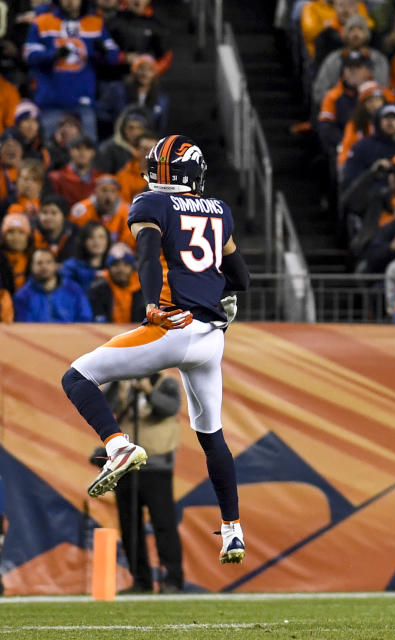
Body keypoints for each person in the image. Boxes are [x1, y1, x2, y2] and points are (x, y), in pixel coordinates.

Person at [60, 135, 251, 565]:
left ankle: (117, 446)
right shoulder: (220, 210)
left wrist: (150, 304)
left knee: (77, 376)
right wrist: (217, 292)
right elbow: (240, 279)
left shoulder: (151, 204)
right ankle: (233, 530)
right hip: (210, 338)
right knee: (213, 437)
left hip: (172, 325)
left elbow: (147, 253)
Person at [96, 372, 184, 592]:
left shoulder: (166, 382)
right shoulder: (121, 382)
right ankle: (141, 580)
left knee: (164, 524)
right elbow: (104, 409)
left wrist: (148, 391)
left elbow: (170, 408)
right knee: (129, 525)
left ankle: (173, 579)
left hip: (157, 467)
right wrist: (120, 389)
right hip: (126, 467)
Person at [24, 0, 120, 139]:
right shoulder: (42, 22)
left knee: (87, 152)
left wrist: (103, 52)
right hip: (51, 102)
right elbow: (30, 56)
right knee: (52, 152)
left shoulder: (95, 23)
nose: (70, 1)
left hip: (83, 101)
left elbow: (113, 56)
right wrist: (53, 54)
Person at [14, 247, 93, 322]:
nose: (44, 266)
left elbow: (85, 318)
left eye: (48, 262)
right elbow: (25, 325)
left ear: (56, 265)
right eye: (39, 263)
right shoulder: (23, 296)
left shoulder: (74, 290)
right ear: (31, 267)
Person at [88, 243, 144, 323]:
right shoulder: (98, 290)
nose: (121, 269)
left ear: (132, 268)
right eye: (115, 264)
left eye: (126, 265)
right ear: (108, 268)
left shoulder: (143, 290)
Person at [61, 220, 110, 291]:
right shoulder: (71, 268)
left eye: (101, 237)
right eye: (91, 237)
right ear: (83, 241)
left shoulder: (113, 267)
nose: (96, 242)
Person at [33, 194, 81, 260]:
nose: (48, 217)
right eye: (44, 212)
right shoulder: (32, 232)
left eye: (54, 213)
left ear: (63, 216)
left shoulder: (76, 234)